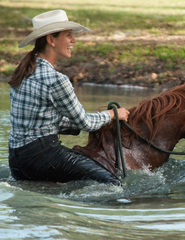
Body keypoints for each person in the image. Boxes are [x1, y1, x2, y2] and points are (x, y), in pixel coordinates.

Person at [8, 10, 130, 185]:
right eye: (68, 35)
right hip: (43, 157)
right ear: (51, 40)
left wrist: (89, 122)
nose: (73, 40)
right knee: (112, 183)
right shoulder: (56, 79)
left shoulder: (23, 71)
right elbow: (85, 123)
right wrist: (112, 114)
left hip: (17, 162)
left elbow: (41, 122)